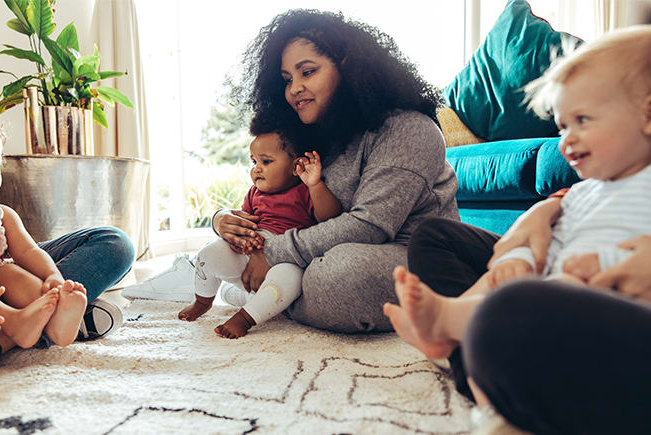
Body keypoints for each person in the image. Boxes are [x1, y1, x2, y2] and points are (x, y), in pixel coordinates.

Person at [385, 26, 651, 434]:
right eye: (562, 127)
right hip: (558, 310)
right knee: (438, 240)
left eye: (582, 120)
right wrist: (519, 256)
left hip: (608, 318)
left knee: (516, 306)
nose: (566, 141)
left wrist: (603, 264)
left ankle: (457, 330)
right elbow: (548, 243)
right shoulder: (582, 195)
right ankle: (496, 391)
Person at [131, 10, 458, 332]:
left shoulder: (408, 128)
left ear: (348, 68)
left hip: (408, 257)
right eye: (287, 79)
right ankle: (238, 284)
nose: (294, 88)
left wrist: (268, 250)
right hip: (325, 250)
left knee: (337, 276)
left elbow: (369, 226)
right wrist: (222, 221)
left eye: (308, 72)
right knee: (299, 270)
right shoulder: (321, 131)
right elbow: (275, 198)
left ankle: (245, 293)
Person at [0, 77, 135, 398]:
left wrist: (53, 279)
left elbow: (29, 251)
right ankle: (19, 325)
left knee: (12, 271)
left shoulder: (0, 214)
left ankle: (57, 322)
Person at [185, 118, 341, 338]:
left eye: (266, 162)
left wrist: (315, 185)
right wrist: (237, 238)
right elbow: (243, 222)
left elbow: (330, 217)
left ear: (296, 167)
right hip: (248, 257)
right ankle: (203, 300)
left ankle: (245, 317)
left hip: (285, 261)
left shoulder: (305, 191)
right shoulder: (254, 193)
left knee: (289, 279)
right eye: (253, 161)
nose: (256, 169)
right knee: (208, 254)